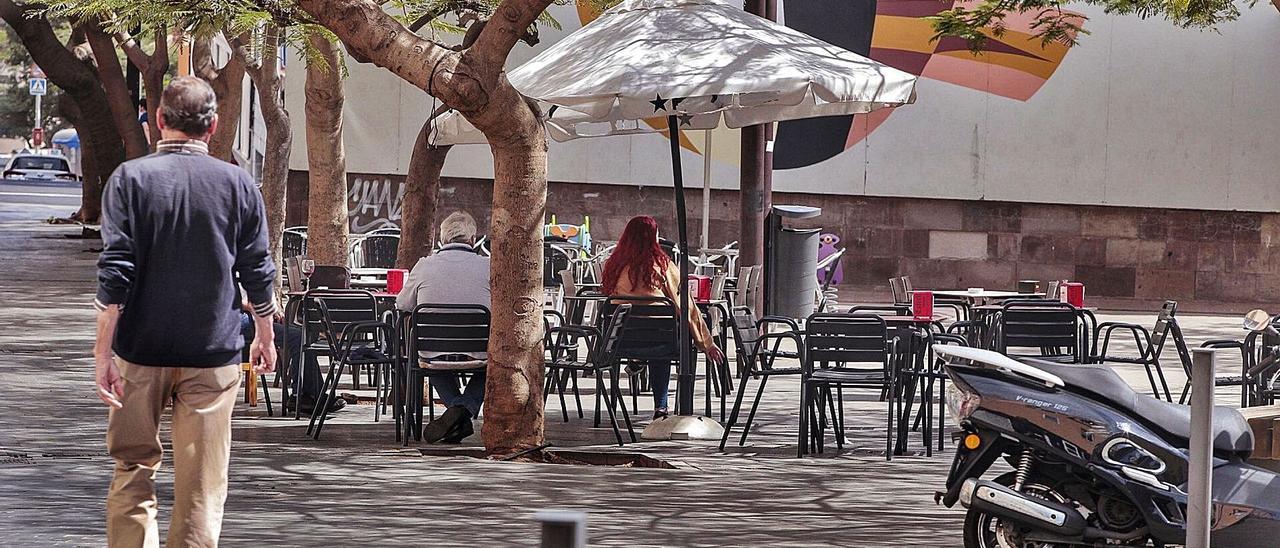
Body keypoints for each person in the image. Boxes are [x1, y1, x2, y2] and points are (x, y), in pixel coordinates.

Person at [93, 76, 277, 548]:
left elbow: (116, 272)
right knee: (201, 484)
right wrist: (265, 335)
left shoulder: (129, 180)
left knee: (132, 467)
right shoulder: (238, 185)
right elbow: (257, 269)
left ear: (159, 120)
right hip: (212, 353)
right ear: (213, 126)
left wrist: (102, 354)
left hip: (140, 349)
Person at [601, 215, 725, 418]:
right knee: (663, 340)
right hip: (659, 341)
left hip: (622, 341)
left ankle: (637, 359)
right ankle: (661, 406)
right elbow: (685, 305)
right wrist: (706, 342)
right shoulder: (663, 265)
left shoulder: (615, 265)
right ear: (653, 238)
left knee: (653, 334)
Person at [396, 211, 491, 443]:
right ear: (472, 239)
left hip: (432, 350)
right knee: (494, 366)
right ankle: (462, 411)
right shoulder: (489, 266)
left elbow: (402, 304)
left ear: (443, 239)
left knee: (430, 359)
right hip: (480, 349)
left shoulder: (424, 266)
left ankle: (455, 413)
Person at [236, 298, 344, 415]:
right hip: (238, 325)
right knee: (299, 337)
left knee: (301, 335)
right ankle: (303, 396)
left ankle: (312, 395)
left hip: (242, 322)